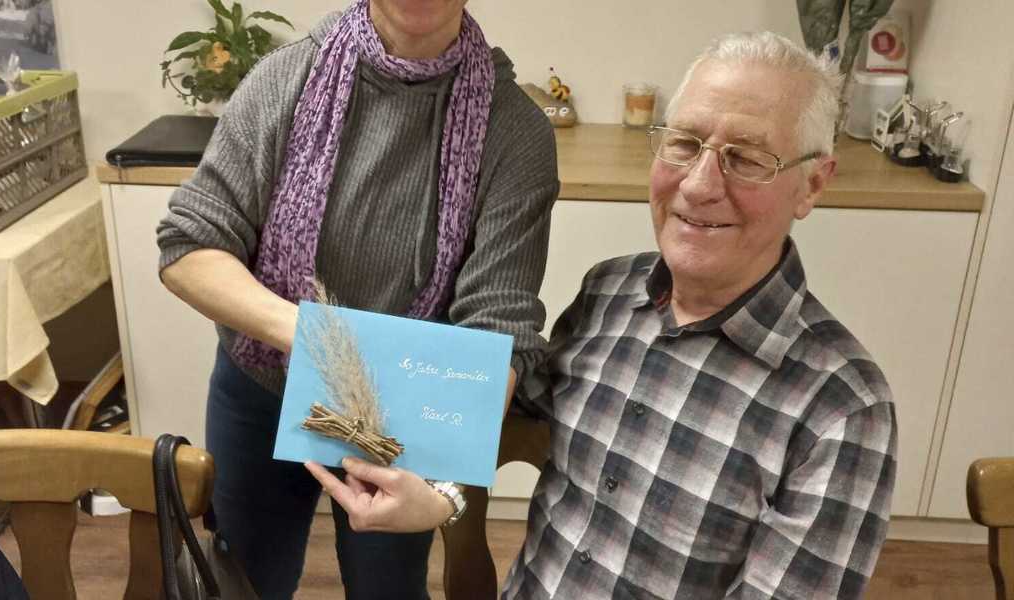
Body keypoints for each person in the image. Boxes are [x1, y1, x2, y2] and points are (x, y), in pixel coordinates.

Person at [310, 31, 898, 600]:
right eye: (684, 144)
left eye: (746, 159)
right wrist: (437, 488)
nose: (698, 186)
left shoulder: (842, 410)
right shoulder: (609, 292)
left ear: (812, 183)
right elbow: (493, 412)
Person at [156, 0, 559, 597]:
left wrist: (442, 489)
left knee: (387, 589)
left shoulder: (515, 130)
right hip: (262, 389)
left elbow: (496, 328)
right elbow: (189, 245)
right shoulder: (283, 79)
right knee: (244, 580)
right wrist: (315, 341)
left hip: (404, 416)